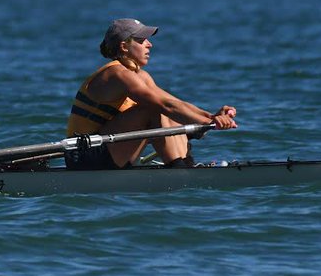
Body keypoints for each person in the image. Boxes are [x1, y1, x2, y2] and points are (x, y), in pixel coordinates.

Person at [66, 18, 238, 169]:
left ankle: (185, 165)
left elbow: (174, 103)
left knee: (165, 109)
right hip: (83, 157)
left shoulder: (140, 76)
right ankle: (179, 173)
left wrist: (211, 117)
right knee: (154, 108)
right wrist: (209, 122)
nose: (150, 44)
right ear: (124, 46)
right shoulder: (116, 75)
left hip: (108, 150)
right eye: (142, 40)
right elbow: (164, 106)